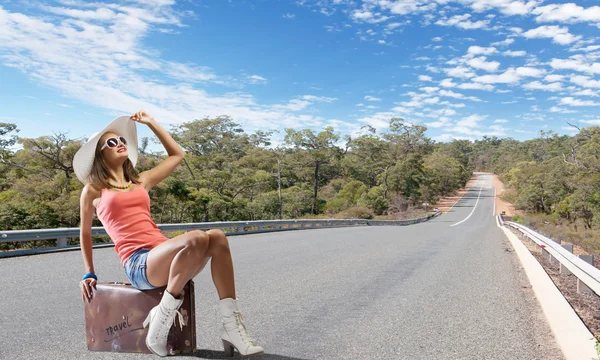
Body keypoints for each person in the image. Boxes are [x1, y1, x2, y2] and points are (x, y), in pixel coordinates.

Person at [74, 111, 263, 357]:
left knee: (217, 236)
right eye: (111, 142)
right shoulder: (93, 190)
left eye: (121, 140)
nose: (120, 143)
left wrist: (152, 123)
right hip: (140, 263)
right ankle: (162, 318)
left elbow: (177, 155)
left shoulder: (140, 182)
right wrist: (89, 271)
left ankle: (231, 327)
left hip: (170, 258)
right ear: (100, 154)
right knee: (196, 237)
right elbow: (85, 233)